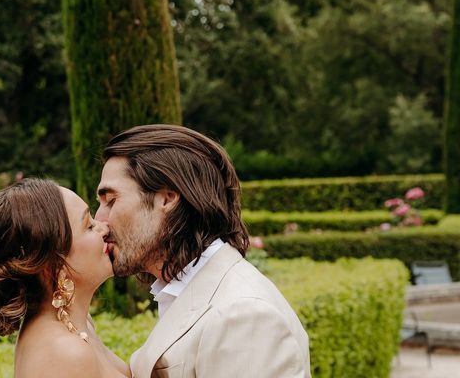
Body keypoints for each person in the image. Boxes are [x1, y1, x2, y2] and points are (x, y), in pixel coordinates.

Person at [95, 124, 311, 378]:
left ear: (166, 198)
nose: (100, 220)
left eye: (111, 200)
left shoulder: (243, 313)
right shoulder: (188, 291)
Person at [0, 178, 130, 377]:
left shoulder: (77, 323)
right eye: (89, 226)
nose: (103, 228)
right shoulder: (65, 353)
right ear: (51, 265)